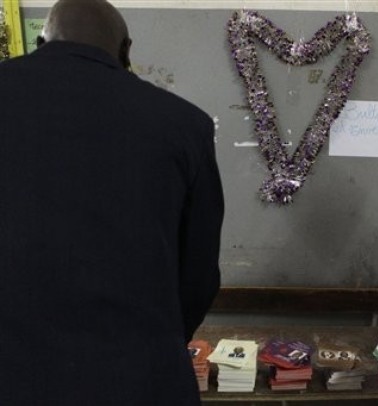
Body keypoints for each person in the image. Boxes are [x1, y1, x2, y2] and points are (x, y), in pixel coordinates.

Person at [0, 0, 224, 405]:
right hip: (136, 378)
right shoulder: (183, 123)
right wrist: (156, 342)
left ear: (39, 41)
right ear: (126, 51)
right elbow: (199, 274)